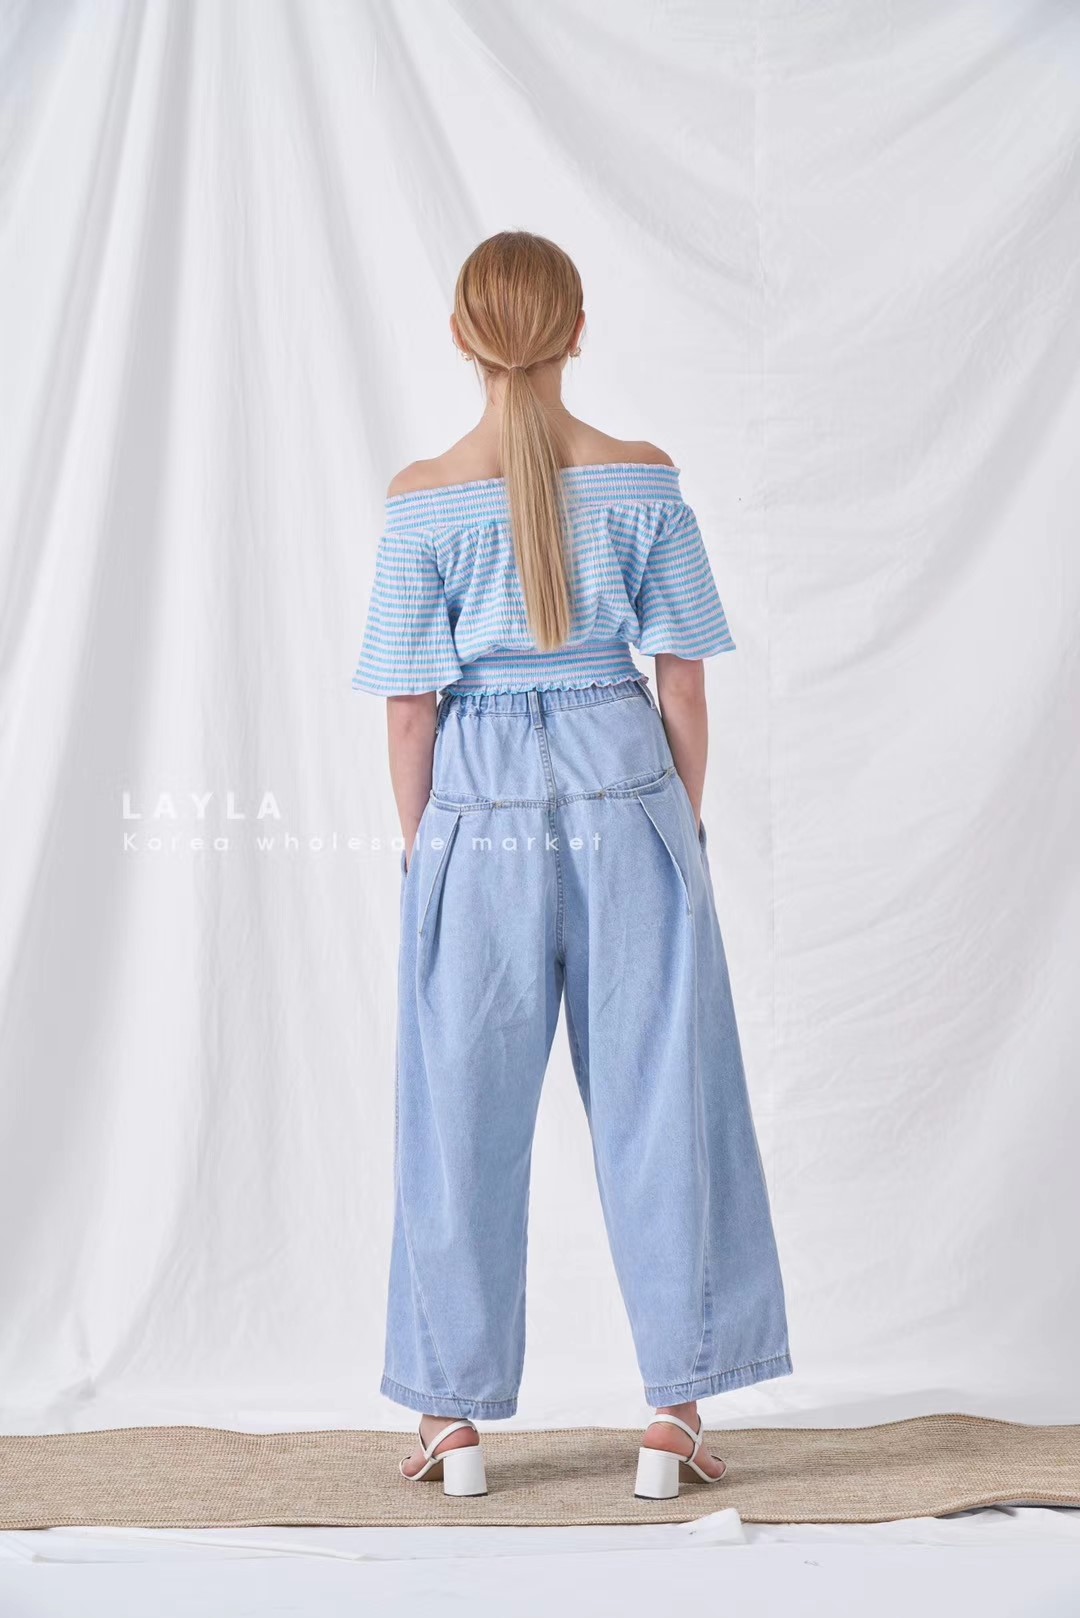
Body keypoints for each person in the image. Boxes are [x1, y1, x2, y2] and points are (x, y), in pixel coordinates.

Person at [352, 230, 792, 1501]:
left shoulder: (421, 498)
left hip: (475, 804)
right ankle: (674, 1415)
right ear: (578, 331)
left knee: (457, 1111)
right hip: (626, 781)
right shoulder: (646, 480)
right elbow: (683, 684)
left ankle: (450, 1420)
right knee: (667, 1098)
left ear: (461, 336)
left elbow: (409, 711)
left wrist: (428, 854)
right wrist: (678, 829)